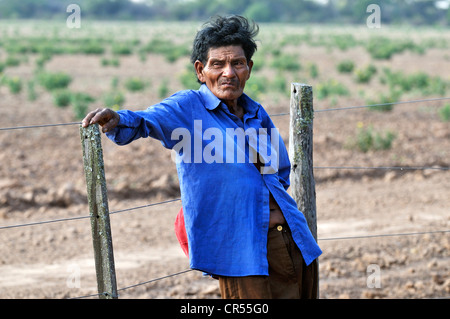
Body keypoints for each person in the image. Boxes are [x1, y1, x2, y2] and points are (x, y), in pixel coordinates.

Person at [82, 15, 321, 299]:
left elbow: (278, 174)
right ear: (200, 70)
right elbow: (147, 121)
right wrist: (119, 119)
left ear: (249, 68)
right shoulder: (188, 108)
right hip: (242, 252)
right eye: (217, 64)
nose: (228, 73)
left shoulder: (256, 113)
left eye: (237, 63)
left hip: (294, 242)